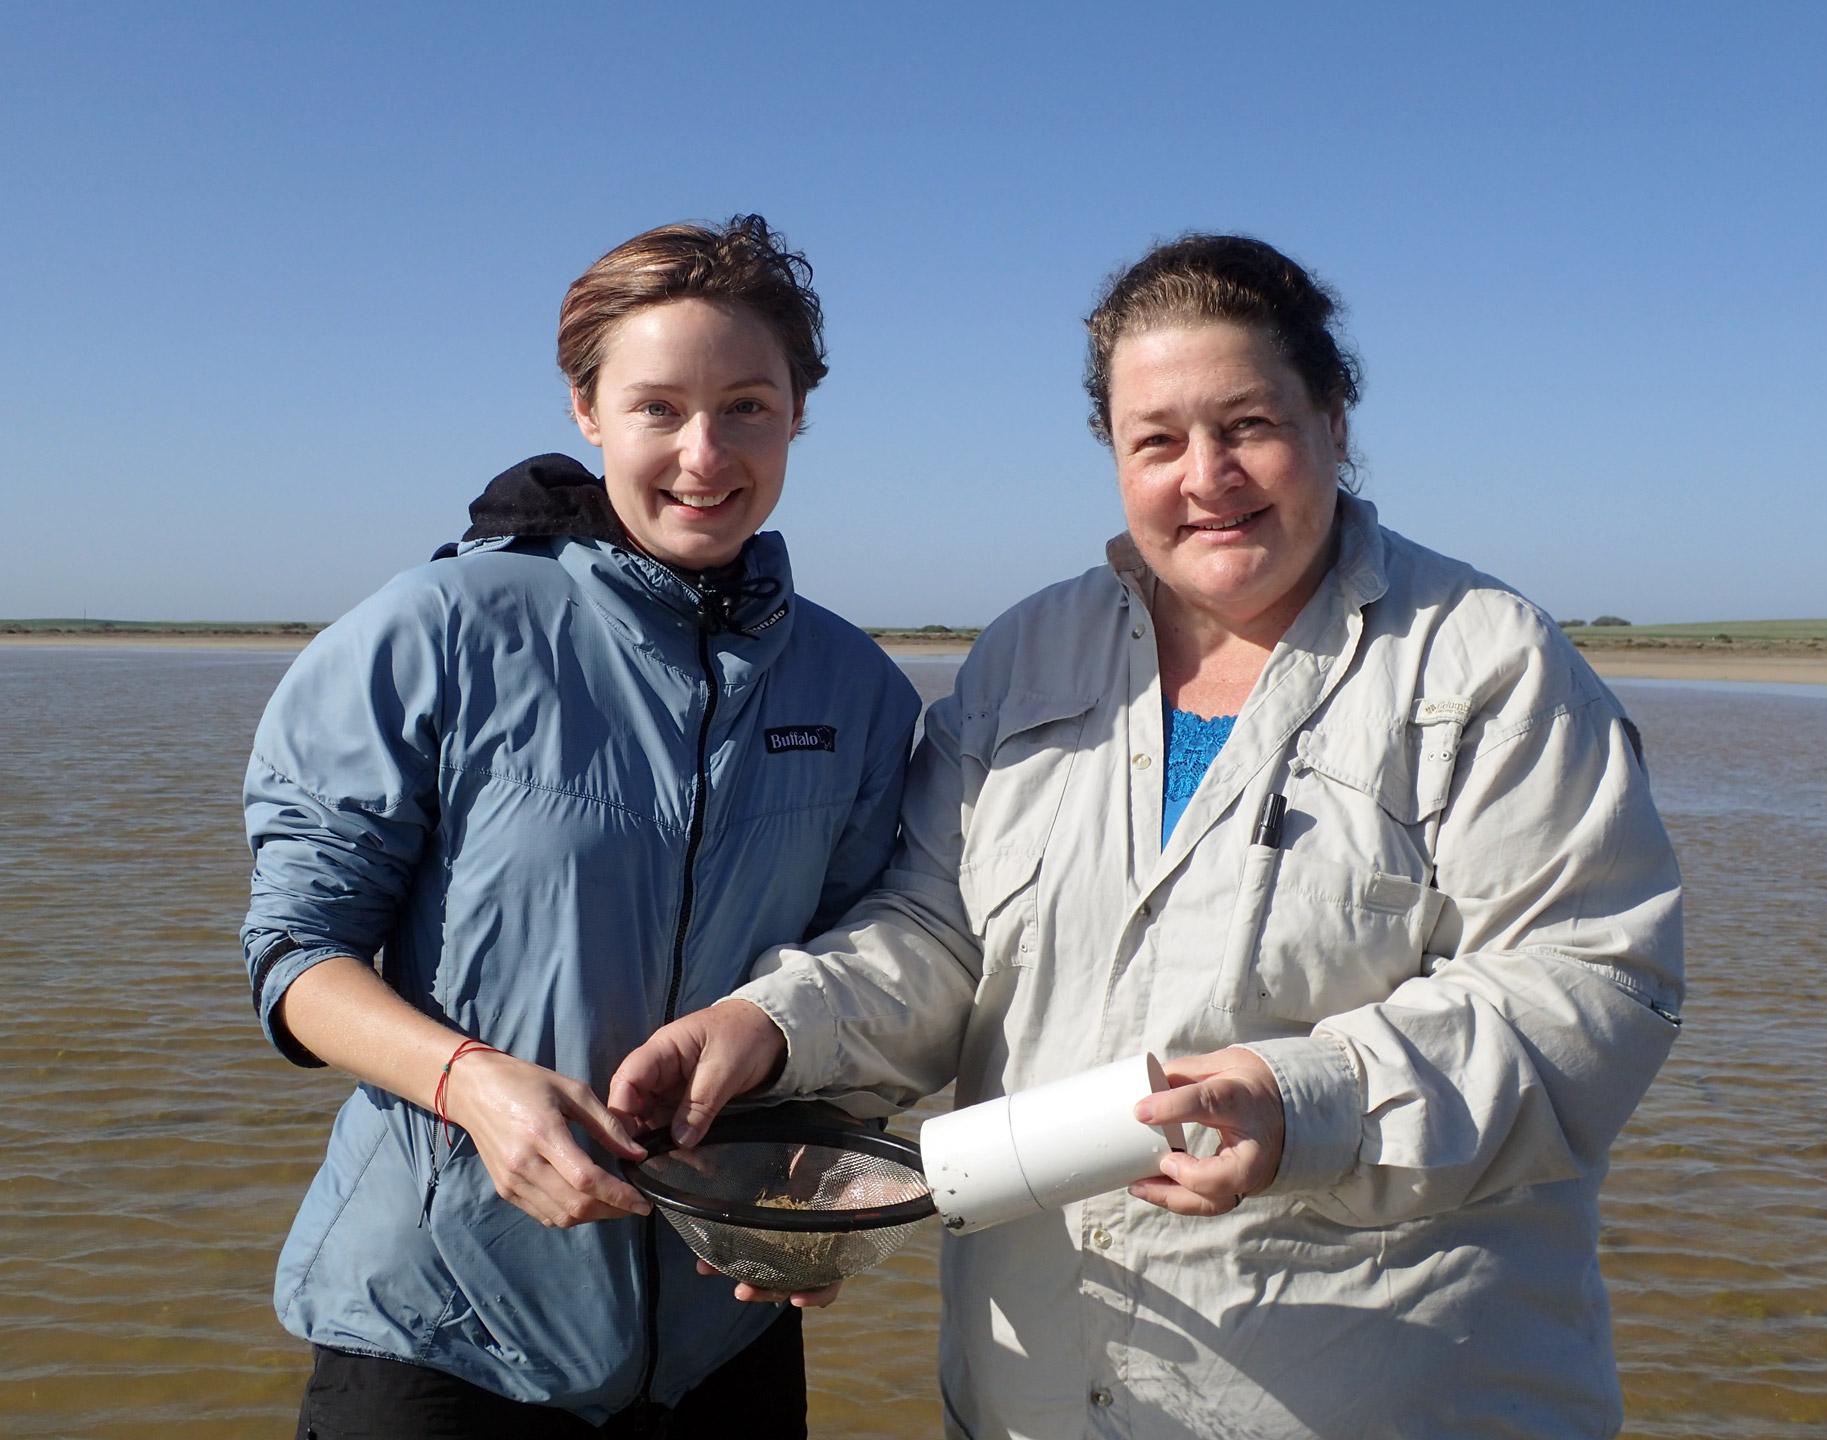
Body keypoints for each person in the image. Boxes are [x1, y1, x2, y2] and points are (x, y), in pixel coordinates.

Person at [613, 233, 1685, 1439]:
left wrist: (1306, 1099)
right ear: (1115, 457)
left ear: (1335, 420)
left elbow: (1593, 988)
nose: (1208, 476)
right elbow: (932, 934)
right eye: (1158, 441)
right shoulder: (1027, 657)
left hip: (1391, 1392)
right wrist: (770, 1028)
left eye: (1250, 425)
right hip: (1032, 1392)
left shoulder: (1491, 663)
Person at [240, 214, 920, 1438]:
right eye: (657, 408)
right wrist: (473, 1085)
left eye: (748, 407)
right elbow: (296, 959)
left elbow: (858, 982)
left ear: (798, 415)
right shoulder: (437, 630)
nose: (704, 454)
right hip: (438, 1326)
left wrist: (815, 1191)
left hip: (727, 1324)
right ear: (586, 409)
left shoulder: (857, 687)